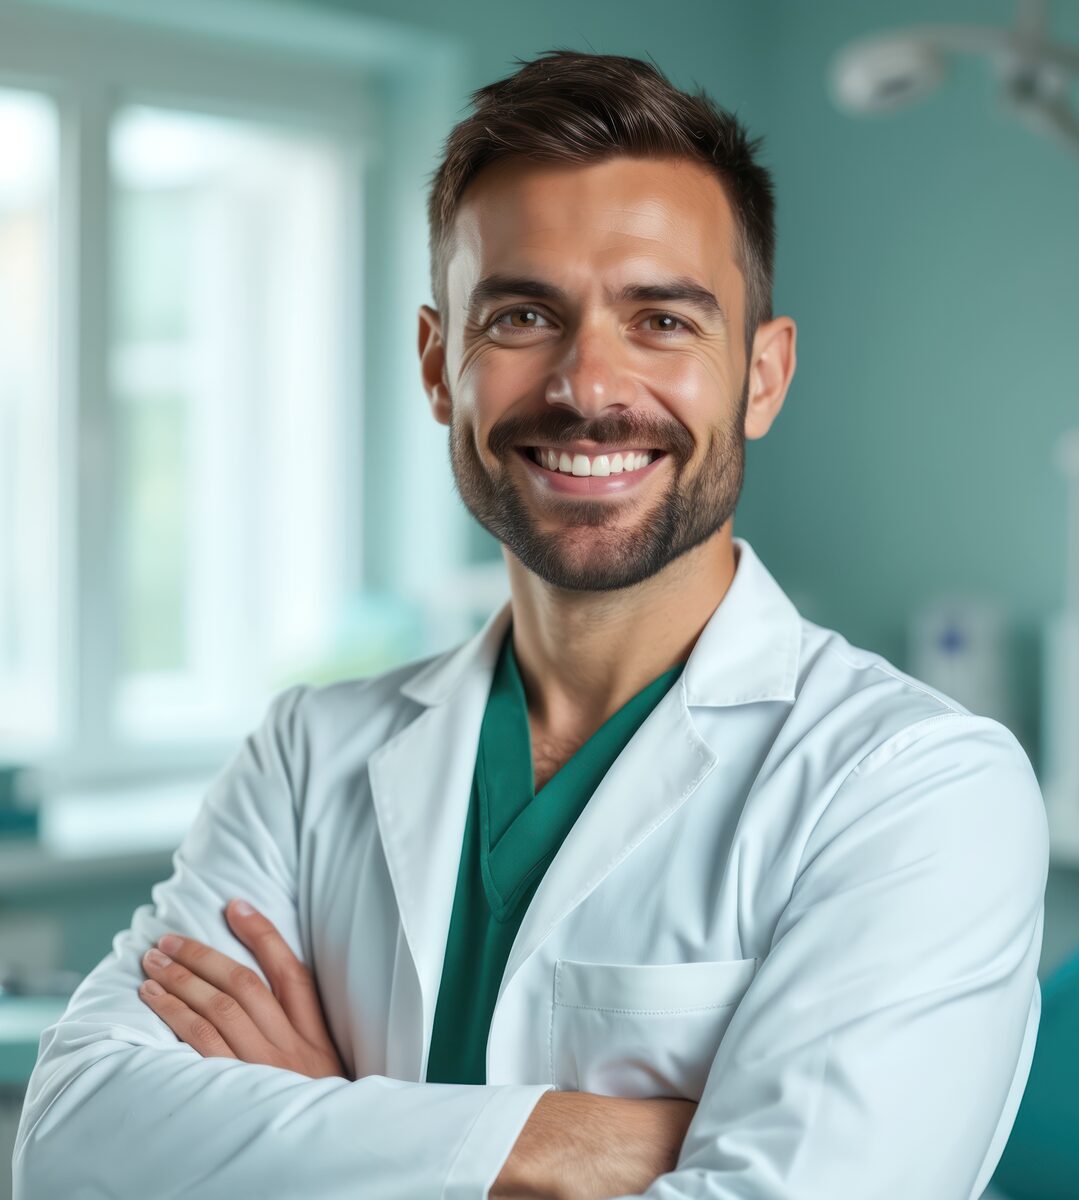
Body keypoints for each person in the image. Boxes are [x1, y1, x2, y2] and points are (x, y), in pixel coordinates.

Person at [14, 49, 1048, 1200]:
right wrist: (560, 1142)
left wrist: (332, 1122)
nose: (587, 384)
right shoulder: (309, 755)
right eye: (519, 315)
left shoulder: (912, 787)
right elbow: (71, 1139)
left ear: (761, 375)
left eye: (660, 318)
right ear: (436, 365)